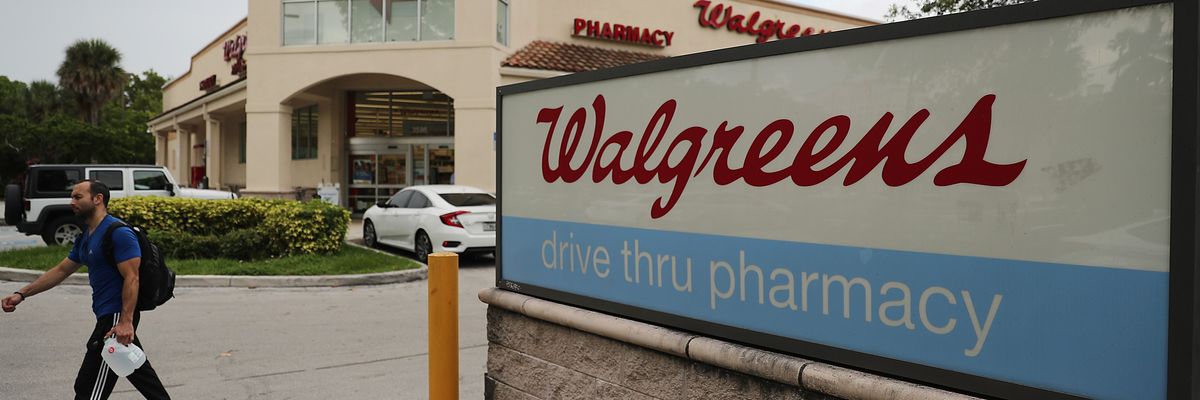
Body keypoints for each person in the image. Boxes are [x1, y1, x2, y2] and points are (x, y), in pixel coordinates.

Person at [1, 180, 171, 400]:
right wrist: (21, 294)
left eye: (77, 197)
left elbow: (132, 277)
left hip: (115, 318)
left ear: (97, 199)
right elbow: (61, 271)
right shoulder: (87, 236)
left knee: (89, 389)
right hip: (109, 316)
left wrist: (126, 322)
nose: (72, 202)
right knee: (142, 377)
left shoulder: (118, 233)